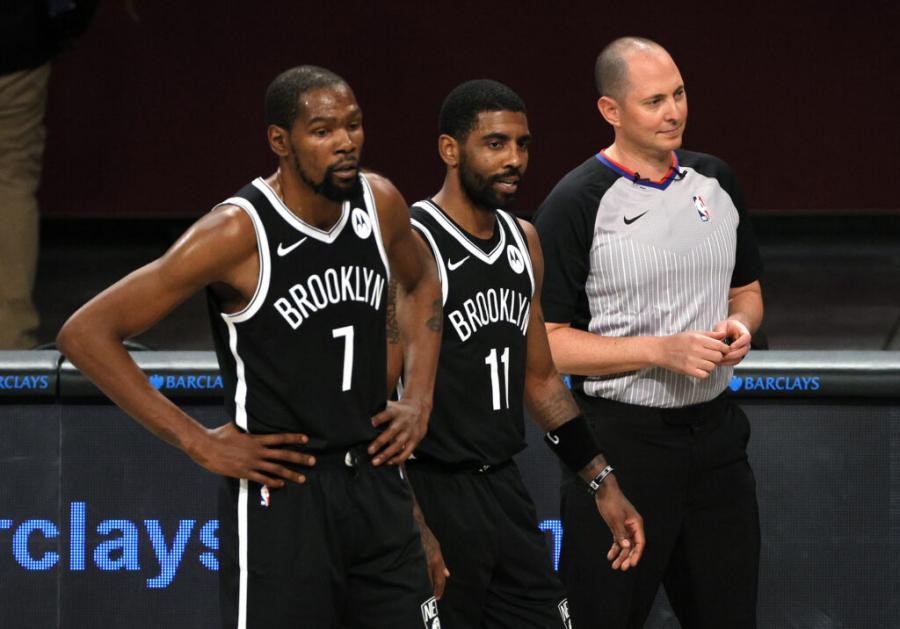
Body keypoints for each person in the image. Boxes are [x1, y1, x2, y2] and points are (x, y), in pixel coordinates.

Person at [57, 65, 444, 629]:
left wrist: (420, 399)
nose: (345, 142)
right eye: (323, 130)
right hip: (283, 495)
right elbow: (85, 333)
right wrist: (196, 442)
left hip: (376, 482)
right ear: (280, 142)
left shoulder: (379, 203)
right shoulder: (237, 233)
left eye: (354, 126)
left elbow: (421, 281)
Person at [393, 79, 645, 629]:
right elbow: (373, 399)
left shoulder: (523, 240)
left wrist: (604, 483)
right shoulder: (412, 245)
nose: (514, 160)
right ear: (450, 150)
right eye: (496, 144)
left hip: (503, 489)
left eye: (523, 144)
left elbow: (541, 381)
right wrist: (411, 523)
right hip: (432, 487)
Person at [534, 37, 764, 628]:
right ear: (611, 111)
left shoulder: (717, 181)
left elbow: (748, 293)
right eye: (654, 100)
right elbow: (549, 343)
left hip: (717, 444)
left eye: (680, 94)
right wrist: (661, 350)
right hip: (623, 449)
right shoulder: (574, 203)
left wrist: (739, 326)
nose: (674, 112)